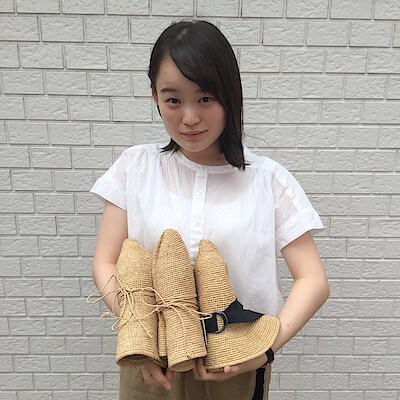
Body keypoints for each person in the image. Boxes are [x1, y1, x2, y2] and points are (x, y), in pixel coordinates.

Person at [90, 19, 330, 400]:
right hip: (153, 367)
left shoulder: (268, 180)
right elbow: (105, 261)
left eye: (205, 99)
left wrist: (265, 350)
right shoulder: (134, 168)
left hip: (237, 365)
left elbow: (313, 280)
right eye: (173, 100)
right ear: (155, 96)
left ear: (229, 95)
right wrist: (140, 334)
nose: (189, 118)